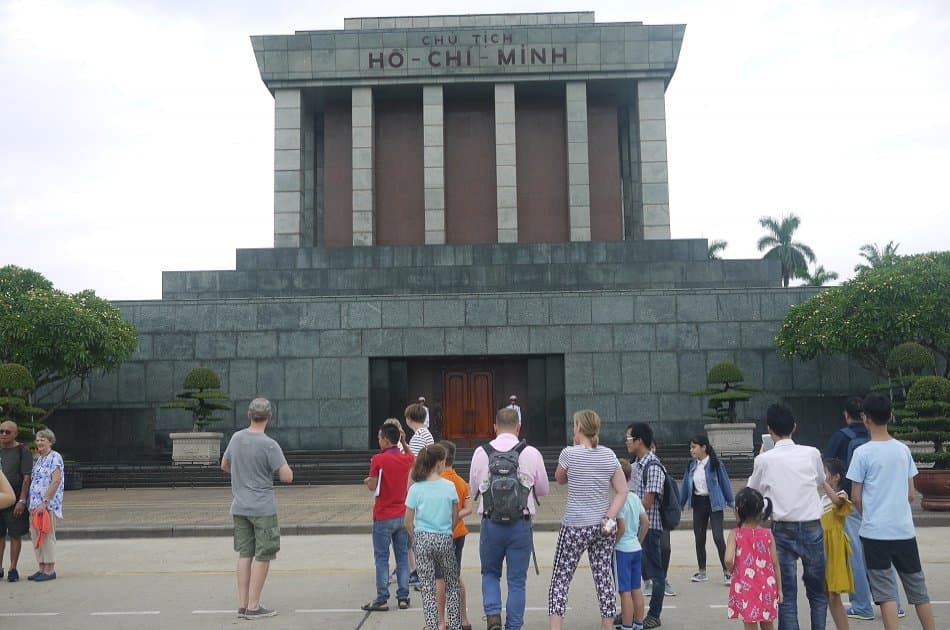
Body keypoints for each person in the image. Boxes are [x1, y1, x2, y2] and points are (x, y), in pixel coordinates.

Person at [846, 393, 936, 630]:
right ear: (891, 416)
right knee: (918, 590)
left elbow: (855, 495)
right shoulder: (902, 450)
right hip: (903, 530)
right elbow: (911, 494)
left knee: (886, 593)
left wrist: (869, 514)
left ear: (865, 419)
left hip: (875, 533)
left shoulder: (862, 453)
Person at [747, 403, 827, 630]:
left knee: (786, 595)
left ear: (769, 430)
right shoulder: (812, 453)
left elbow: (752, 493)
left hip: (782, 530)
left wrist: (761, 456)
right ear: (794, 427)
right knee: (817, 593)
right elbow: (820, 479)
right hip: (812, 527)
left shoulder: (764, 460)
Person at [469, 407, 549, 630]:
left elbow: (474, 488)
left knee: (490, 573)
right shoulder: (531, 452)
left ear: (494, 427)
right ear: (518, 427)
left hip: (490, 522)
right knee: (516, 581)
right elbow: (543, 490)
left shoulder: (481, 452)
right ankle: (513, 626)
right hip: (520, 524)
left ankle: (493, 615)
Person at [823, 397, 902, 620]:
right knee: (882, 554)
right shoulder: (878, 435)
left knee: (855, 554)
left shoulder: (841, 437)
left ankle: (861, 605)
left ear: (847, 415)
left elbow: (827, 465)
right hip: (879, 502)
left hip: (851, 502)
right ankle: (894, 604)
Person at [548, 410, 628, 630]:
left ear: (579, 428)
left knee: (560, 579)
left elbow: (559, 478)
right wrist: (609, 516)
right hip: (602, 526)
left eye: (574, 425)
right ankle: (607, 626)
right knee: (604, 579)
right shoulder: (609, 455)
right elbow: (622, 490)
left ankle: (555, 627)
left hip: (574, 525)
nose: (573, 429)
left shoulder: (569, 454)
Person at [221, 398, 293, 619]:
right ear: (269, 417)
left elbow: (224, 466)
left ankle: (242, 605)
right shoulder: (269, 444)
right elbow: (287, 476)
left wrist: (242, 473)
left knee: (245, 554)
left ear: (248, 415)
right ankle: (254, 606)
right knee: (263, 554)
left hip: (240, 506)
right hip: (262, 508)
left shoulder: (236, 438)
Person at [405, 444, 461, 630]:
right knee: (451, 585)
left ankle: (433, 625)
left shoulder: (416, 488)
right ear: (439, 463)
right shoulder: (449, 486)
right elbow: (455, 516)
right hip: (444, 537)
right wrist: (448, 530)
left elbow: (407, 521)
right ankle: (454, 624)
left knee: (428, 589)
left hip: (422, 539)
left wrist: (417, 537)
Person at [362, 421, 415, 612]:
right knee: (402, 557)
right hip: (401, 514)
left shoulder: (378, 459)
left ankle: (382, 598)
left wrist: (368, 481)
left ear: (385, 440)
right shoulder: (405, 459)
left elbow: (372, 484)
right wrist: (404, 441)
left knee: (382, 558)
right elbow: (412, 457)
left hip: (383, 514)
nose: (378, 441)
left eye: (379, 438)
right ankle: (403, 597)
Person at [625, 422, 666, 629]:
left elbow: (648, 502)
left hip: (650, 527)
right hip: (638, 527)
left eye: (629, 439)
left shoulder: (653, 465)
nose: (627, 442)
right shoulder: (638, 464)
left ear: (639, 441)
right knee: (635, 572)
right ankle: (630, 614)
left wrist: (627, 506)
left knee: (656, 574)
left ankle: (654, 614)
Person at [679, 434, 734, 586]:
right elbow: (684, 487)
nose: (692, 450)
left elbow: (725, 484)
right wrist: (679, 505)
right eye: (690, 447)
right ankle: (702, 571)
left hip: (714, 504)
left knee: (718, 537)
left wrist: (732, 503)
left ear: (704, 447)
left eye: (694, 447)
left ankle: (728, 572)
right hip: (698, 503)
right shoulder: (691, 465)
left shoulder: (715, 464)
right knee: (699, 537)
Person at [725, 487, 781, 629]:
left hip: (746, 588)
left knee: (750, 623)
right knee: (768, 623)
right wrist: (779, 589)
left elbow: (728, 559)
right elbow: (775, 564)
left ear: (737, 510)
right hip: (767, 587)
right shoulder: (768, 534)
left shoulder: (735, 534)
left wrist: (732, 570)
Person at [435, 441, 473, 630]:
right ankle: (463, 618)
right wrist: (456, 516)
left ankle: (441, 622)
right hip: (459, 533)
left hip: (442, 535)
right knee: (456, 577)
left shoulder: (436, 482)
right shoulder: (460, 481)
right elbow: (468, 509)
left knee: (440, 579)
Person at [615, 459, 649, 630]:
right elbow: (645, 522)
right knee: (636, 588)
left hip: (622, 550)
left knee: (625, 591)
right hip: (636, 547)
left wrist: (613, 543)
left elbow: (620, 527)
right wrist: (639, 540)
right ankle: (638, 623)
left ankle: (626, 625)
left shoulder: (618, 500)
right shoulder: (635, 497)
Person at [821, 458, 854, 630]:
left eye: (825, 472)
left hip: (835, 549)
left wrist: (821, 482)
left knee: (834, 595)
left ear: (836, 477)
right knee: (829, 595)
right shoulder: (822, 499)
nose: (822, 475)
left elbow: (839, 503)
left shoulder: (841, 495)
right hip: (823, 548)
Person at [27, 428, 64, 582]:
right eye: (38, 439)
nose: (40, 442)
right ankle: (41, 567)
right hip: (35, 505)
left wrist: (45, 501)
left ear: (50, 441)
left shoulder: (55, 457)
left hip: (47, 505)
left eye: (43, 439)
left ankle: (50, 570)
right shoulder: (39, 459)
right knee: (36, 536)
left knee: (47, 536)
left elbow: (55, 480)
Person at [0, 420, 32, 582]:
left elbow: (27, 477)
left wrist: (22, 500)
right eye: (1, 431)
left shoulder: (22, 451)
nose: (3, 434)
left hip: (14, 500)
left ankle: (13, 568)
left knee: (14, 535)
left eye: (8, 432)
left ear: (15, 434)